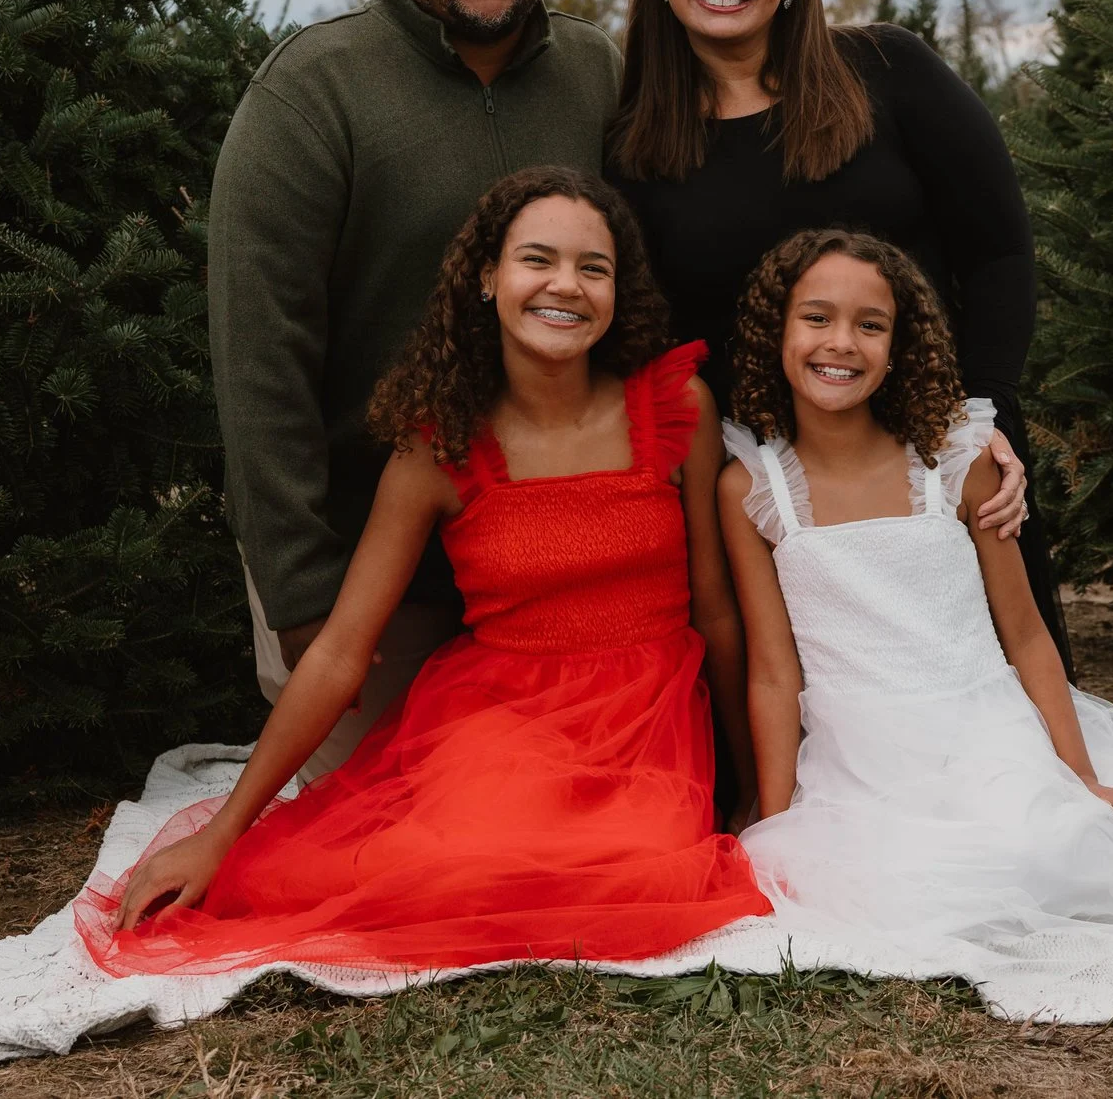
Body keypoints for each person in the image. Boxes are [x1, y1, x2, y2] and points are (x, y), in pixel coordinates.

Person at [80, 168, 768, 976]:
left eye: (594, 267)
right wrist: (222, 830)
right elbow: (341, 651)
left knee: (633, 873)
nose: (565, 285)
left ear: (620, 289)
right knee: (452, 871)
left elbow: (719, 617)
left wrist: (752, 797)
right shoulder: (437, 448)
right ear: (487, 277)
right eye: (536, 259)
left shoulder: (674, 408)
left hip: (645, 723)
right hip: (502, 721)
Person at [717, 230, 1113, 1006]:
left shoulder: (959, 464)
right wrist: (774, 821)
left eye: (871, 324)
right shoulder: (750, 488)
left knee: (1045, 848)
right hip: (858, 755)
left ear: (903, 346)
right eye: (817, 317)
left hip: (984, 730)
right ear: (777, 332)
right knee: (861, 882)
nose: (842, 342)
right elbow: (774, 672)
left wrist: (1082, 779)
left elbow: (1028, 633)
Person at [209, 0, 621, 778]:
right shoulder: (314, 91)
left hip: (554, 559)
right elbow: (258, 358)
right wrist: (304, 597)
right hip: (370, 569)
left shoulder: (598, 73)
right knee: (396, 827)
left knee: (568, 812)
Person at [605, 0, 1074, 669]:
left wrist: (981, 418)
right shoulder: (635, 143)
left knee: (1000, 706)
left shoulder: (891, 74)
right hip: (777, 495)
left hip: (940, 459)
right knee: (825, 722)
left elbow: (999, 250)